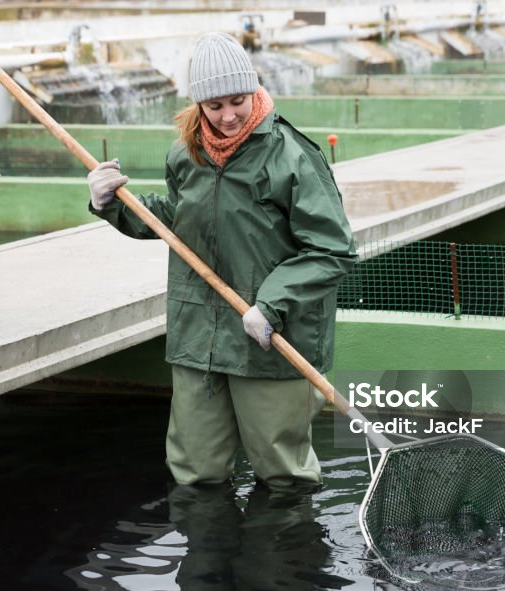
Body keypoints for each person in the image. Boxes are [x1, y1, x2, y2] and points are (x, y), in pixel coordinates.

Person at [86, 32, 356, 492]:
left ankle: (285, 561)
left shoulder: (293, 156)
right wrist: (113, 203)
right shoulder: (184, 154)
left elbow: (331, 250)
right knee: (197, 471)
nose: (229, 115)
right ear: (198, 105)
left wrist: (270, 305)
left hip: (271, 337)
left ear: (254, 89)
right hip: (199, 336)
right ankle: (208, 558)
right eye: (215, 106)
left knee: (283, 474)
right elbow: (176, 222)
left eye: (238, 100)